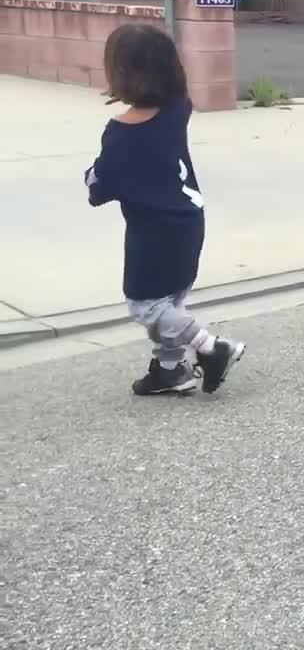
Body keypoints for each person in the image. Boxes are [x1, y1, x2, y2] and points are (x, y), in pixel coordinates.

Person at [85, 23, 245, 396]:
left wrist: (92, 174)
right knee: (171, 300)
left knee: (147, 307)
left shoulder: (121, 133)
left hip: (153, 233)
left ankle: (211, 346)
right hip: (190, 221)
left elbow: (100, 187)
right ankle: (169, 370)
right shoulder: (178, 108)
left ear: (120, 73)